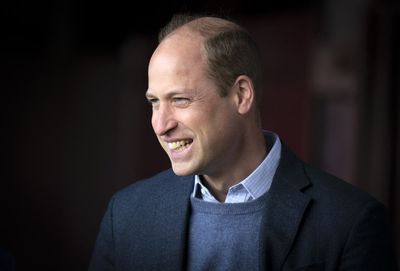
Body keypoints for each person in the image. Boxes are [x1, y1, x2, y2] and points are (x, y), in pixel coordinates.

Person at [89, 14, 398, 271]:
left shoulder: (351, 223)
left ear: (241, 95)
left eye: (180, 100)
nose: (160, 124)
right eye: (154, 102)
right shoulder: (126, 215)